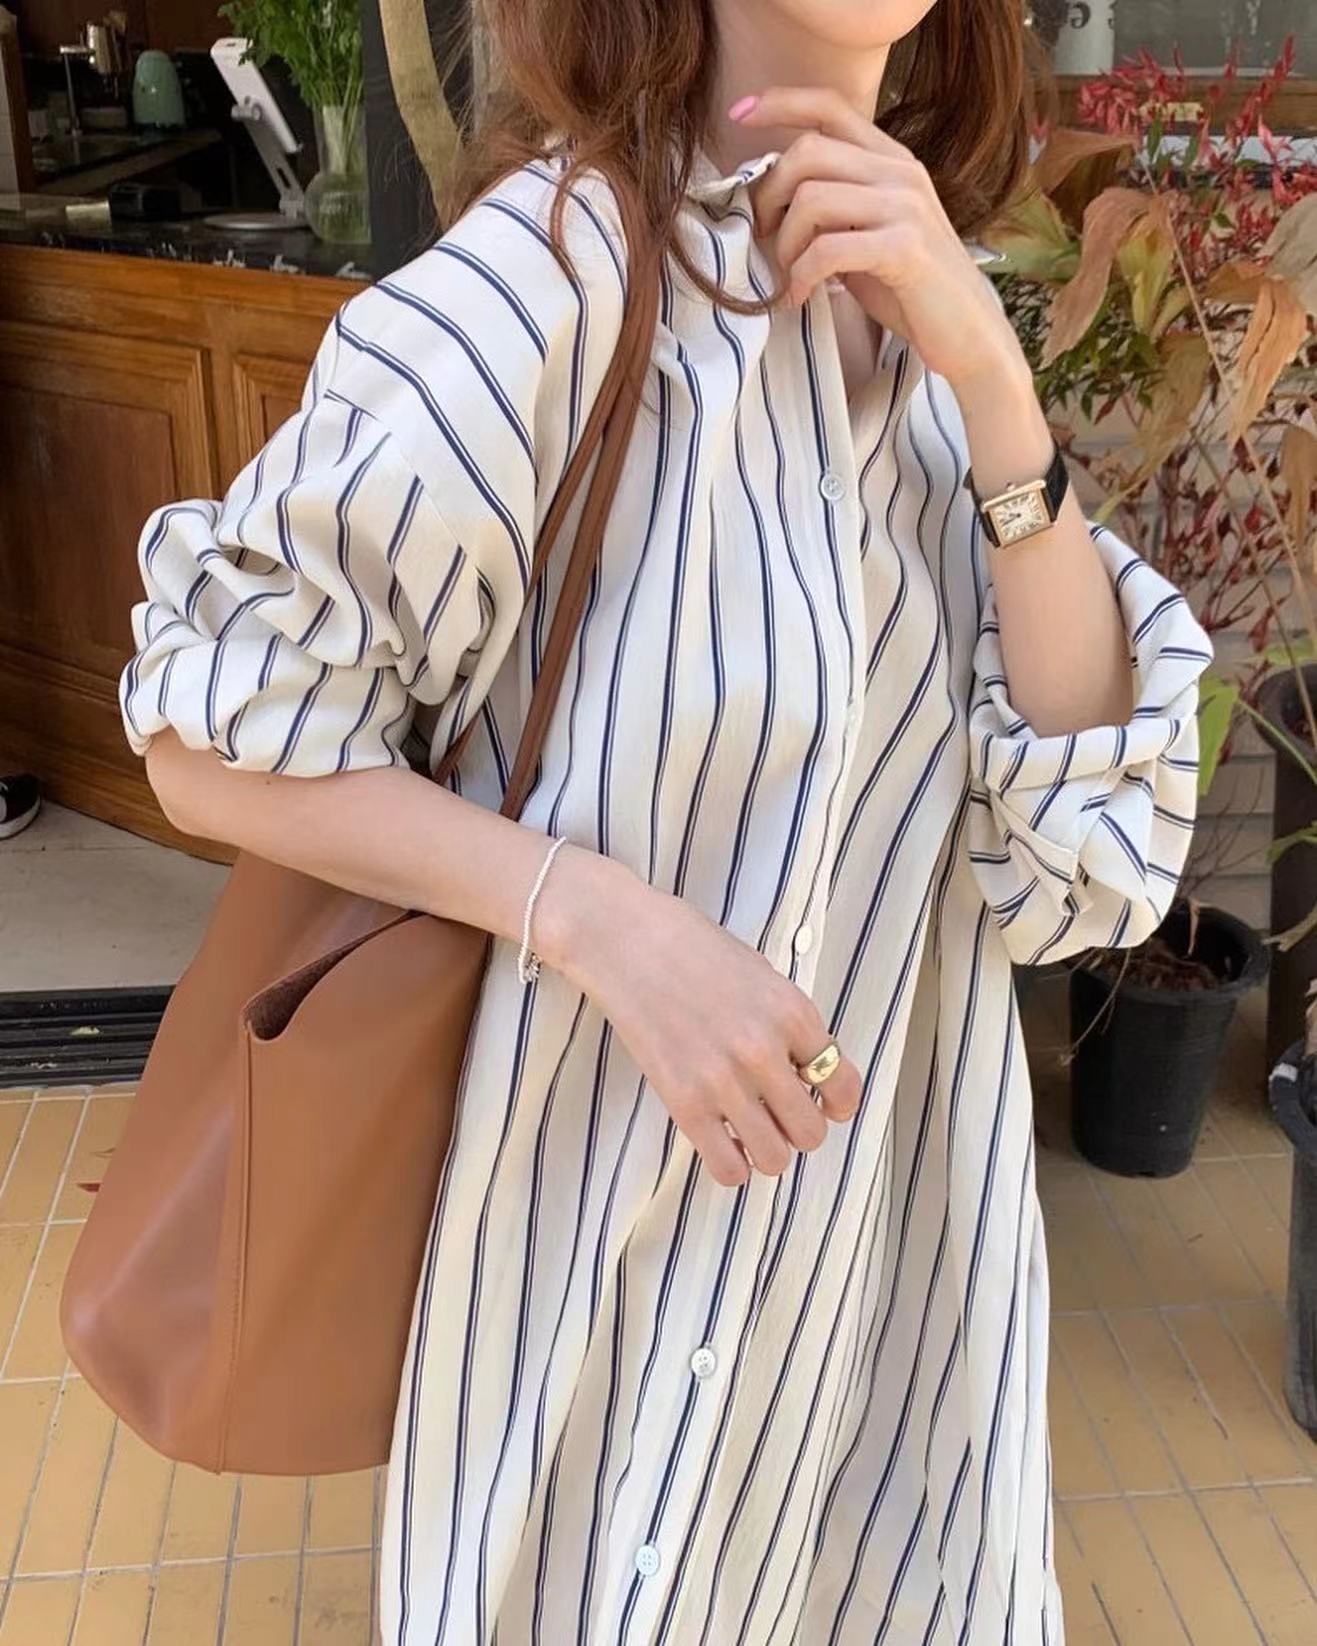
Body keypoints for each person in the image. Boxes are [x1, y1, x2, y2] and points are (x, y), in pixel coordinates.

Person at [118, 1, 1212, 1640]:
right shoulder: (550, 281)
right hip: (602, 1324)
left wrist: (994, 385)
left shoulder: (933, 318)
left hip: (900, 1343)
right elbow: (204, 730)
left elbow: (1084, 871)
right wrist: (594, 916)